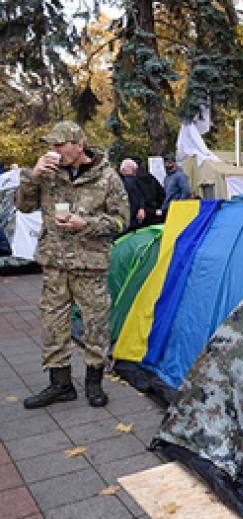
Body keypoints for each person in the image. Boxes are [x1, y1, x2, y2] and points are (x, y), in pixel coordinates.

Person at [14, 121, 129, 409]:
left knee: (95, 325)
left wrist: (85, 225)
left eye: (59, 144)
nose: (53, 150)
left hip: (90, 266)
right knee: (53, 324)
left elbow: (121, 221)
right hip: (55, 263)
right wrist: (33, 175)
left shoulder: (107, 177)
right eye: (51, 145)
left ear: (79, 146)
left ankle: (94, 384)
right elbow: (23, 206)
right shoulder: (47, 175)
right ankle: (60, 384)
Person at [130, 156, 166, 225]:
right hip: (155, 210)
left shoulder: (132, 179)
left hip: (141, 213)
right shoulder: (150, 177)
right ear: (142, 164)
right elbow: (162, 193)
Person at [118, 159, 146, 231]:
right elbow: (125, 192)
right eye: (133, 171)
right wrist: (129, 176)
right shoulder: (117, 179)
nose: (135, 174)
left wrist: (141, 207)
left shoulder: (135, 180)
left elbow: (140, 194)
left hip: (134, 219)